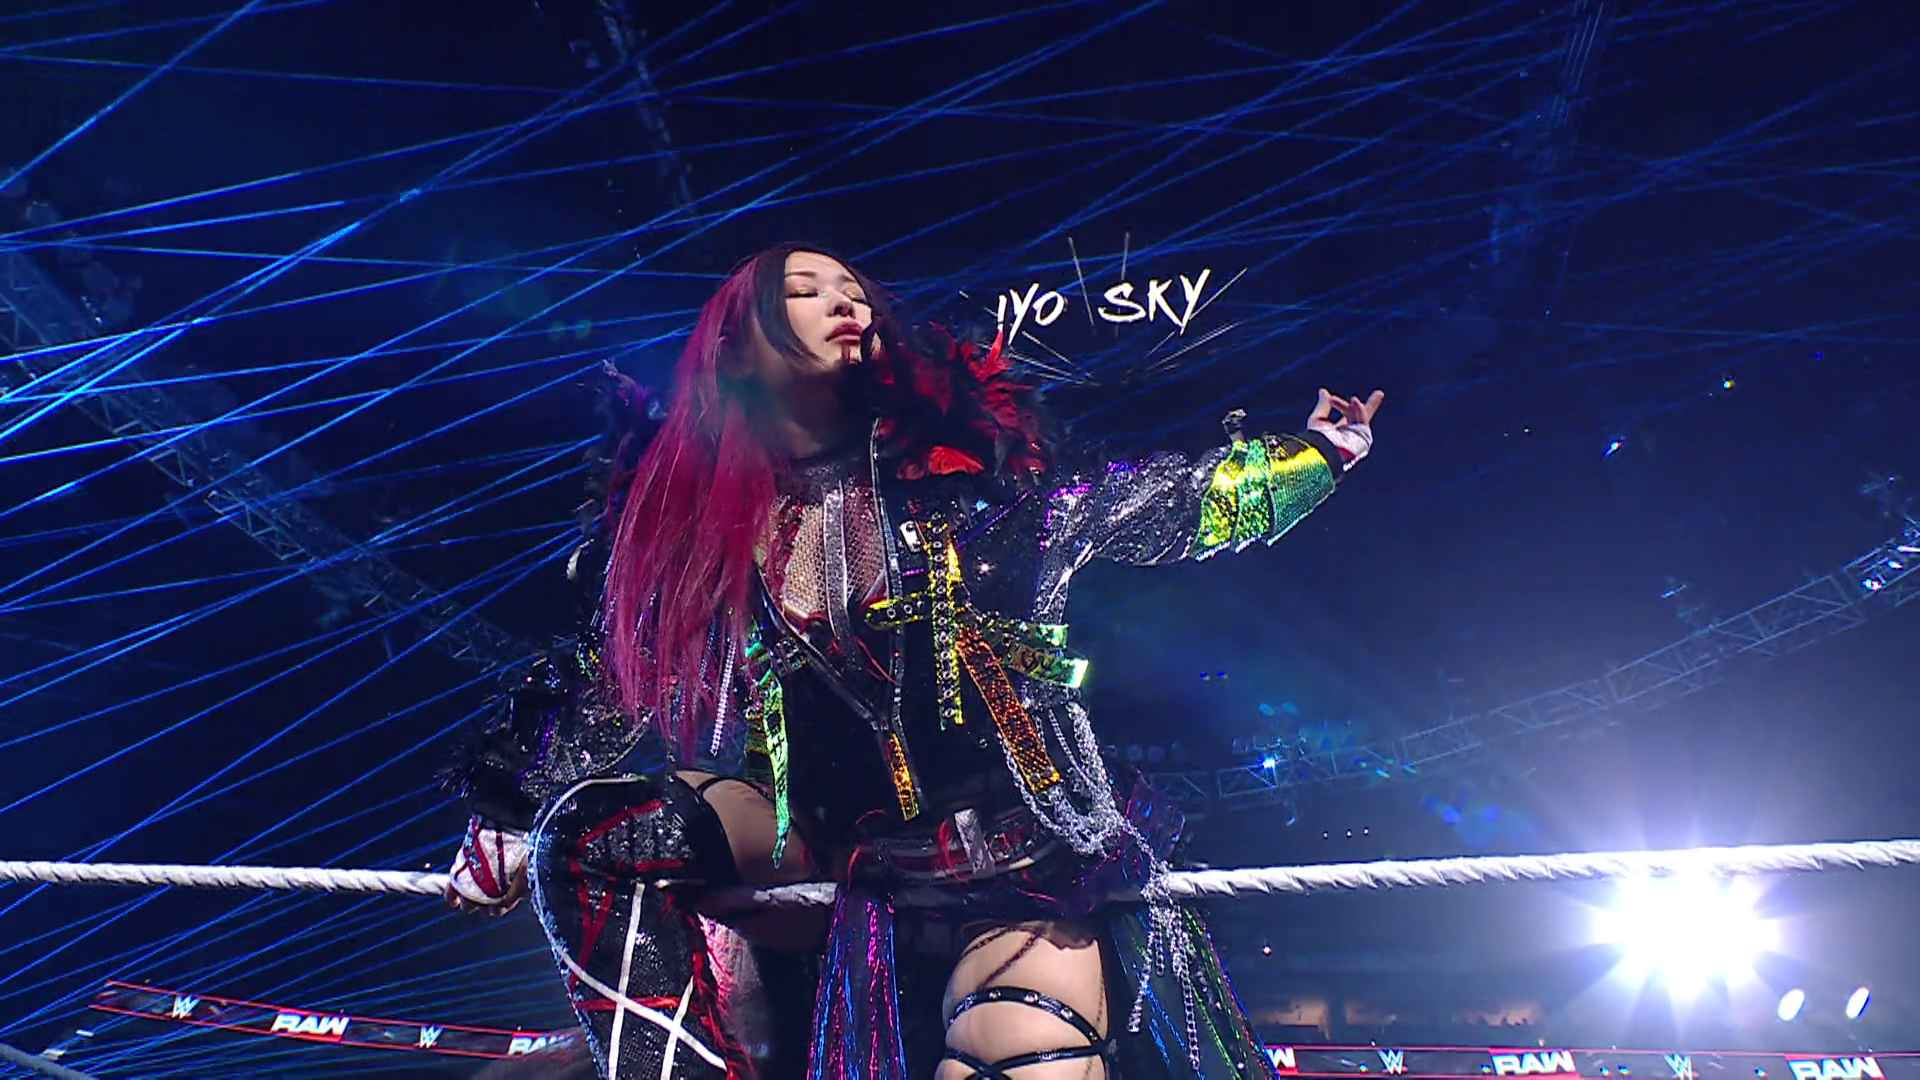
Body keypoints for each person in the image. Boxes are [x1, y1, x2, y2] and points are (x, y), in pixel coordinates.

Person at [441, 242, 1383, 1079]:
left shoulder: (976, 485)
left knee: (1018, 1060)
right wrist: (512, 808)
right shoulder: (705, 519)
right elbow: (613, 663)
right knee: (594, 834)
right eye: (806, 290)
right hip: (835, 846)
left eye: (856, 291)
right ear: (736, 343)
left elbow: (1156, 505)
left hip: (1014, 852)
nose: (845, 303)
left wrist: (1315, 454)